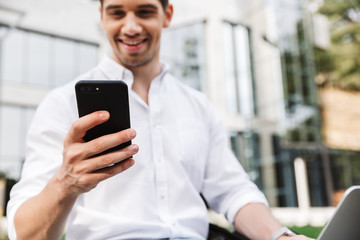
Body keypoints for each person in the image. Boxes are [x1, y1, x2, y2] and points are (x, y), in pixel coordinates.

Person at [7, 0, 314, 239]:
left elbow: (233, 191)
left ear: (167, 15)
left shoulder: (198, 106)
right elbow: (25, 234)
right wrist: (66, 185)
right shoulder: (63, 104)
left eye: (144, 12)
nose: (130, 27)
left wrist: (280, 236)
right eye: (116, 13)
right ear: (101, 17)